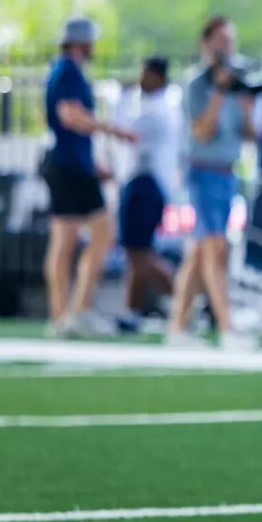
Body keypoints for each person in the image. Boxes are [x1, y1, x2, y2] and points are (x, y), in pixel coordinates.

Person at [164, 16, 259, 350]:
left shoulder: (236, 84)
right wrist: (219, 91)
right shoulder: (197, 84)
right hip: (202, 171)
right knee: (216, 248)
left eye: (229, 40)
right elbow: (202, 131)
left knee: (200, 253)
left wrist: (247, 105)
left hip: (227, 173)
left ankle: (177, 328)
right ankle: (227, 328)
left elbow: (249, 135)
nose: (226, 47)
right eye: (220, 40)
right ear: (206, 43)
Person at [41, 17, 136, 336]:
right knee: (103, 231)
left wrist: (94, 165)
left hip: (69, 164)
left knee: (65, 239)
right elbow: (70, 116)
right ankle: (78, 309)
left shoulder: (63, 70)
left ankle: (61, 316)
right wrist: (112, 129)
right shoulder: (68, 71)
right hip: (69, 167)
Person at [115, 56, 181, 330]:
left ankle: (184, 299)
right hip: (143, 183)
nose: (140, 79)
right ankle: (132, 311)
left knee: (139, 252)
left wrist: (120, 95)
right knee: (137, 252)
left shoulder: (157, 111)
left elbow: (122, 130)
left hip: (147, 184)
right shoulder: (155, 107)